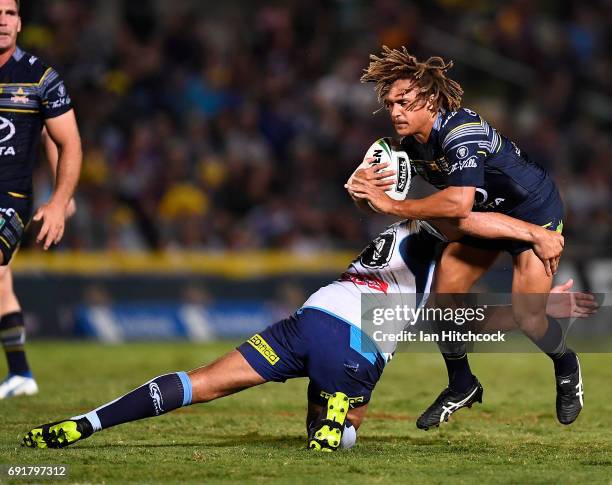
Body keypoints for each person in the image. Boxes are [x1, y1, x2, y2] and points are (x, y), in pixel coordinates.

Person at [22, 213, 592, 450]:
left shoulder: (396, 231)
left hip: (314, 313)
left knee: (203, 382)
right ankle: (337, 415)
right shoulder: (438, 238)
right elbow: (462, 295)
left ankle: (88, 422)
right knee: (339, 438)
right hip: (362, 336)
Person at [346, 46, 585, 429]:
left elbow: (457, 205)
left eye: (404, 102)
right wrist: (361, 194)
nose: (395, 112)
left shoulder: (461, 131)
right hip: (483, 217)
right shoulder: (405, 147)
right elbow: (393, 201)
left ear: (431, 99)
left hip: (534, 213)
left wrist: (391, 206)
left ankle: (566, 364)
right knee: (444, 303)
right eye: (390, 103)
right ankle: (462, 383)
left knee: (529, 318)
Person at [0, 0, 82, 399]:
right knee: (1, 282)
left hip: (9, 200)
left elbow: (64, 140)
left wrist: (59, 198)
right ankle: (20, 373)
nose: (2, 20)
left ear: (19, 22)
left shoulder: (40, 78)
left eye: (10, 13)